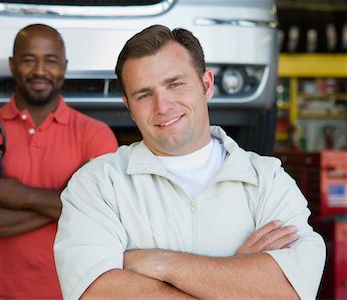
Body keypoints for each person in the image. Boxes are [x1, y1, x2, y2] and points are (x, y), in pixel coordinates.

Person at [54, 25, 326, 300]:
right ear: (129, 107)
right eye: (144, 94)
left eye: (175, 84)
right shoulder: (98, 184)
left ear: (206, 85)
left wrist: (160, 263)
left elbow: (288, 292)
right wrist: (234, 277)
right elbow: (96, 293)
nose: (163, 105)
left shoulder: (268, 181)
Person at [0, 24, 118, 299]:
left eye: (50, 60)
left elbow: (105, 214)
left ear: (64, 66)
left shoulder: (95, 135)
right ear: (13, 65)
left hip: (72, 294)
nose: (40, 71)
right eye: (29, 60)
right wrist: (66, 205)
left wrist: (21, 195)